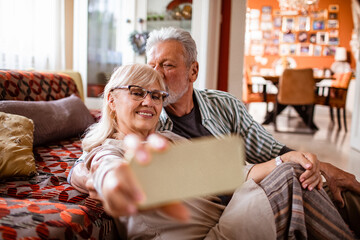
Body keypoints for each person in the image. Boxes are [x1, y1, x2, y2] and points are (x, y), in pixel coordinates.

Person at [70, 27, 360, 237]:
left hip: (234, 206)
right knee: (292, 178)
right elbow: (103, 159)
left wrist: (310, 164)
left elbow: (242, 168)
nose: (150, 98)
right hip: (221, 222)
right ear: (111, 99)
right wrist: (96, 177)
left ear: (193, 71)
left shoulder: (175, 134)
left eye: (156, 93)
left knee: (324, 185)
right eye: (139, 91)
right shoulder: (129, 141)